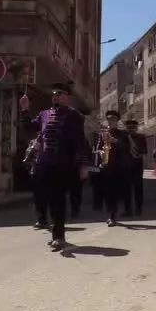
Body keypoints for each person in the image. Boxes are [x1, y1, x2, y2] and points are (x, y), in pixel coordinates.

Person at [19, 82, 90, 251]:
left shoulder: (74, 116)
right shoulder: (44, 114)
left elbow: (81, 141)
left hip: (63, 164)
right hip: (44, 163)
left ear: (67, 97)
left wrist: (83, 164)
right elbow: (30, 127)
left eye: (60, 93)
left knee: (58, 199)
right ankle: (54, 232)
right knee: (46, 198)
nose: (56, 96)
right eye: (54, 94)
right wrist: (24, 109)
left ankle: (59, 235)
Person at [94, 110, 133, 227]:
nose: (110, 121)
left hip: (119, 167)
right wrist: (100, 153)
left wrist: (115, 141)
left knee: (115, 192)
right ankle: (111, 214)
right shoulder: (102, 134)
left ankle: (112, 216)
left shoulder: (124, 134)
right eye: (109, 119)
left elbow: (127, 149)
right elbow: (98, 148)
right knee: (108, 192)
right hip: (106, 166)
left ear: (117, 121)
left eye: (113, 119)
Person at [124, 120, 147, 215]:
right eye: (129, 128)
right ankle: (128, 210)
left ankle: (138, 208)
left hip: (137, 165)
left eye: (133, 128)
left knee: (138, 188)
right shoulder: (124, 138)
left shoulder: (141, 137)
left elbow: (145, 151)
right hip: (125, 166)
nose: (131, 130)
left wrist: (137, 154)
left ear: (136, 128)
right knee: (126, 189)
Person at [68, 112, 87, 218]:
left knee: (76, 189)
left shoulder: (81, 136)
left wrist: (84, 165)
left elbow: (85, 151)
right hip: (65, 164)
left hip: (77, 165)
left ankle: (75, 209)